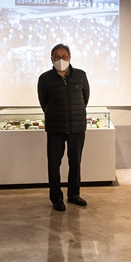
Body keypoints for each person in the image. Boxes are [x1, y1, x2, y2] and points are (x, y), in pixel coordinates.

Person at [38, 44, 90, 212]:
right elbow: (43, 102)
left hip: (77, 127)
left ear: (70, 57)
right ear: (51, 59)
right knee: (54, 164)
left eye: (64, 56)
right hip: (55, 127)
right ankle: (56, 198)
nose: (61, 60)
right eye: (57, 57)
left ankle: (74, 194)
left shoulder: (81, 75)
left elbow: (85, 98)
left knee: (75, 162)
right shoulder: (45, 79)